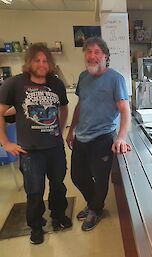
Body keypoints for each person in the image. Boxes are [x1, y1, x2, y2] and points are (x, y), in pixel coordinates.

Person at [0, 43, 72, 245]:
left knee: (58, 186)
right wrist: (5, 142)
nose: (41, 64)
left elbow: (64, 109)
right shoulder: (14, 84)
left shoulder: (56, 84)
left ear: (50, 63)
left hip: (55, 148)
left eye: (45, 61)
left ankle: (58, 216)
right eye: (37, 60)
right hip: (30, 152)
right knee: (35, 192)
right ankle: (36, 226)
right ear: (29, 62)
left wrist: (61, 128)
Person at [66, 37, 131, 231]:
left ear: (105, 56)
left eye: (96, 52)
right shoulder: (83, 77)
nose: (92, 56)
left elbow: (124, 110)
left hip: (102, 137)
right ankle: (94, 203)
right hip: (82, 136)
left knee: (101, 179)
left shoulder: (115, 79)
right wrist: (71, 131)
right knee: (77, 176)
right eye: (88, 52)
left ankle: (95, 209)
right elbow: (80, 106)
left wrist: (121, 137)